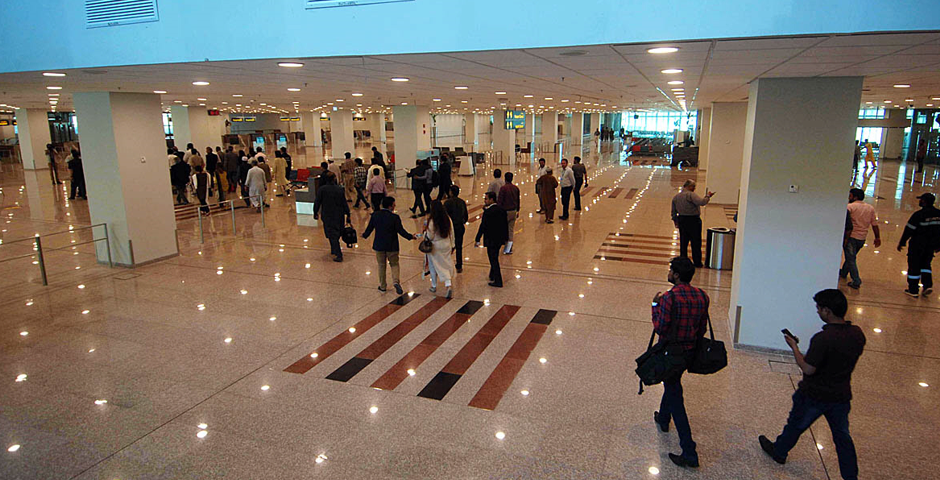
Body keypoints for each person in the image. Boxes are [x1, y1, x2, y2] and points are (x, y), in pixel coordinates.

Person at [760, 289, 865, 480]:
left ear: (828, 311)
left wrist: (794, 348)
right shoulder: (857, 334)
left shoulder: (823, 338)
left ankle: (780, 451)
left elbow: (808, 368)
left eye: (819, 308)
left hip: (814, 395)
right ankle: (851, 476)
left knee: (795, 425)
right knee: (842, 438)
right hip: (841, 395)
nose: (817, 312)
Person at [651, 257, 710, 469]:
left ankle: (689, 451)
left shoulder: (669, 298)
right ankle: (663, 418)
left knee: (676, 394)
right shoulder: (702, 296)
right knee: (672, 383)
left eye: (670, 270)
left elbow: (660, 327)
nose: (668, 273)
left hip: (671, 351)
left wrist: (654, 305)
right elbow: (702, 328)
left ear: (676, 275)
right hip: (690, 352)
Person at [362, 196, 414, 294]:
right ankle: (395, 282)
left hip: (379, 245)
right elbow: (401, 231)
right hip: (392, 245)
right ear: (390, 206)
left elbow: (369, 229)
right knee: (394, 264)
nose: (395, 207)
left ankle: (382, 286)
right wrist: (410, 237)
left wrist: (364, 236)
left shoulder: (375, 215)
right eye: (394, 205)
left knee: (381, 265)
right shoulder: (395, 217)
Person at [897, 192, 940, 297]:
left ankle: (913, 289)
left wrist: (902, 242)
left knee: (914, 266)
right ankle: (927, 285)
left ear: (924, 202)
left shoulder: (919, 215)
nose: (919, 201)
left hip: (917, 245)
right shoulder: (939, 214)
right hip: (930, 245)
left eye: (921, 200)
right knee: (926, 264)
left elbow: (909, 230)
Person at [840, 188, 881, 289]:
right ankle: (844, 272)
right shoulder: (870, 208)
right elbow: (874, 224)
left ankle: (856, 280)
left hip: (851, 237)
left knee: (851, 258)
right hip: (862, 238)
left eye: (850, 195)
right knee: (851, 257)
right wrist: (877, 237)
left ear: (855, 197)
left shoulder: (849, 207)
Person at [671, 180, 714, 268]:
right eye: (693, 186)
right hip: (693, 220)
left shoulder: (676, 197)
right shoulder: (690, 195)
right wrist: (708, 196)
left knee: (684, 242)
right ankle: (697, 262)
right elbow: (702, 202)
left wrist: (676, 222)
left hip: (682, 220)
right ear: (689, 186)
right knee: (696, 242)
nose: (694, 188)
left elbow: (673, 212)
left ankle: (683, 261)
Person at [313, 172, 351, 262]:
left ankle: (338, 254)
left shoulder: (322, 189)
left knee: (331, 234)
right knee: (336, 233)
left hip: (327, 215)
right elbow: (344, 203)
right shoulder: (340, 189)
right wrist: (348, 214)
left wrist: (315, 212)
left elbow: (317, 202)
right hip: (339, 215)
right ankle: (334, 249)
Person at [423, 200, 456, 298]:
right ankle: (448, 284)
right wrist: (453, 245)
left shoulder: (432, 221)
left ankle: (434, 285)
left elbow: (430, 236)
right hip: (446, 244)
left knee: (434, 266)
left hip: (435, 246)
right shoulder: (447, 218)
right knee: (445, 265)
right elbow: (452, 232)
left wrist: (424, 233)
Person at [475, 191, 508, 287]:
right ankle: (492, 275)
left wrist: (477, 238)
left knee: (493, 259)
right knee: (495, 256)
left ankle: (498, 280)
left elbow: (483, 226)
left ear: (491, 199)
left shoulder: (488, 212)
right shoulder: (501, 210)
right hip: (499, 239)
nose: (485, 200)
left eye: (486, 199)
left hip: (491, 239)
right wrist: (505, 238)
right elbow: (505, 224)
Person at [444, 185, 469, 273]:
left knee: (448, 246)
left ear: (451, 192)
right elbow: (466, 216)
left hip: (451, 228)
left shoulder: (447, 203)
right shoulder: (462, 202)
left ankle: (446, 264)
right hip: (459, 227)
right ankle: (459, 264)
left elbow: (445, 216)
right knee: (459, 246)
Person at [497, 172, 520, 254]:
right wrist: (518, 210)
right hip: (513, 211)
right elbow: (518, 200)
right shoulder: (516, 188)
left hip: (505, 212)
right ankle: (508, 248)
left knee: (503, 229)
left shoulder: (503, 188)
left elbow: (500, 201)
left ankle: (503, 245)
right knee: (510, 230)